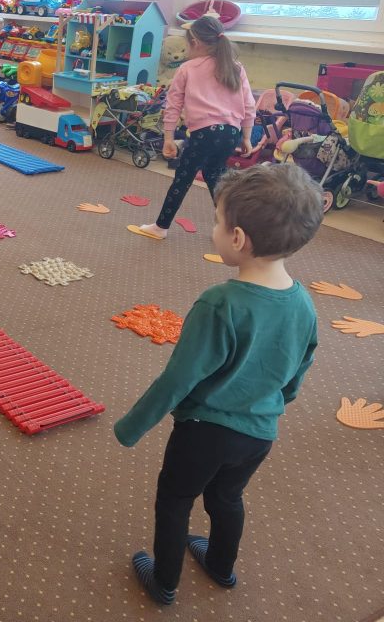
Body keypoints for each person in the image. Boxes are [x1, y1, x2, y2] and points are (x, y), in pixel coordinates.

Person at [114, 164, 323, 606]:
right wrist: (277, 401)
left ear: (238, 238)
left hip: (204, 433)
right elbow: (300, 366)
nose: (213, 230)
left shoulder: (220, 303)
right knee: (227, 497)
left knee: (175, 500)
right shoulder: (303, 301)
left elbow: (180, 376)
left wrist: (133, 426)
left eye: (216, 221)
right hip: (260, 433)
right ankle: (221, 567)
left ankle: (165, 582)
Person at [129, 15, 255, 241]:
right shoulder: (236, 68)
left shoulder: (187, 68)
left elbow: (173, 105)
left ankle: (161, 227)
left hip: (205, 133)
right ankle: (230, 231)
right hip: (231, 134)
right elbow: (248, 104)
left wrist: (168, 138)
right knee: (214, 176)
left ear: (195, 43)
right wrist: (246, 137)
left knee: (183, 178)